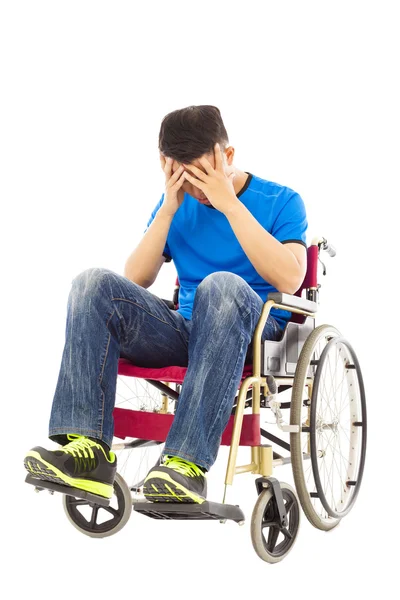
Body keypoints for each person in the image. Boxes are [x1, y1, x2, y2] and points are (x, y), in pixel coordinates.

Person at [24, 105, 308, 504]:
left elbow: (290, 278)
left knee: (220, 286)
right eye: (184, 176)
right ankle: (87, 455)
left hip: (254, 333)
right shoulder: (177, 206)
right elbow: (135, 280)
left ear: (227, 157)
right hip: (188, 329)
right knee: (92, 284)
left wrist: (229, 204)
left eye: (203, 174)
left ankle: (184, 465)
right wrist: (170, 207)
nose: (197, 189)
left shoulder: (281, 200)